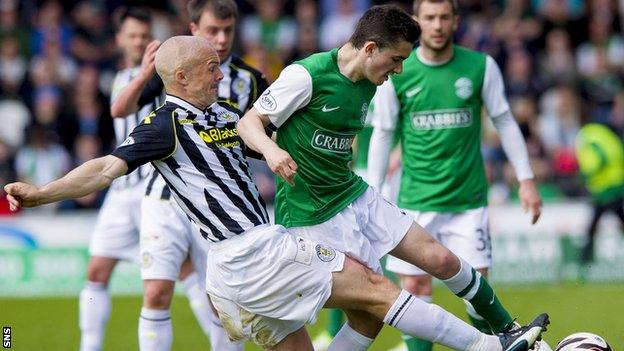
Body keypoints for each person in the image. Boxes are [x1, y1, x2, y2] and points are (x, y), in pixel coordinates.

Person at [6, 34, 547, 351]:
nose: (222, 72)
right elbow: (103, 169)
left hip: (245, 267)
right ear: (182, 77)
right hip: (252, 254)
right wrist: (41, 192)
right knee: (378, 290)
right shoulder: (161, 124)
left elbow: (267, 133)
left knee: (364, 318)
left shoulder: (219, 114)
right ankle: (493, 346)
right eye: (210, 67)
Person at [236, 4, 548, 351]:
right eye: (396, 59)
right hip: (311, 213)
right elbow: (248, 123)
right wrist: (272, 150)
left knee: (441, 259)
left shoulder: (370, 79)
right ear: (370, 48)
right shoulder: (306, 75)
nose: (399, 70)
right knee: (376, 308)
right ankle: (488, 346)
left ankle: (511, 330)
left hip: (353, 193)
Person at [366, 1, 544, 350]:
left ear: (455, 21)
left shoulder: (480, 66)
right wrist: (375, 192)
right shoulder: (399, 70)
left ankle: (495, 345)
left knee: (476, 291)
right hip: (415, 201)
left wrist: (526, 179)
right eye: (430, 18)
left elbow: (504, 120)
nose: (437, 25)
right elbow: (384, 132)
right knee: (414, 290)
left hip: (468, 202)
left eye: (444, 17)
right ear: (418, 22)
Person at [109, 1, 268, 350]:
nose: (222, 38)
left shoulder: (250, 80)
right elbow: (120, 109)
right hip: (165, 197)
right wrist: (144, 73)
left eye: (228, 30)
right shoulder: (172, 65)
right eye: (213, 30)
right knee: (156, 290)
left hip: (221, 205)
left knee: (224, 300)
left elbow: (266, 134)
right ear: (194, 29)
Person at [77, 8, 219, 351]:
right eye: (133, 35)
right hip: (119, 188)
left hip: (156, 189)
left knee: (183, 276)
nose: (139, 41)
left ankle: (224, 343)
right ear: (119, 40)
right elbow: (118, 108)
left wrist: (147, 72)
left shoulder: (164, 75)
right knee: (96, 271)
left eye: (144, 35)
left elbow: (121, 109)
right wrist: (139, 74)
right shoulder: (123, 76)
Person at [575, 122, 624, 264]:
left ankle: (583, 262)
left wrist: (587, 174)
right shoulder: (604, 133)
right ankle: (584, 261)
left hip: (607, 188)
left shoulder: (588, 134)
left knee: (595, 224)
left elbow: (600, 158)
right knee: (596, 222)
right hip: (615, 183)